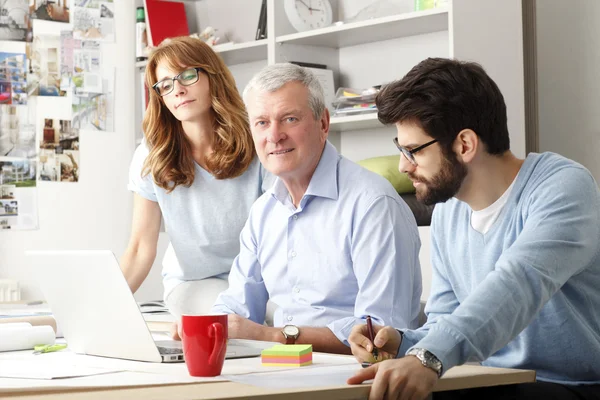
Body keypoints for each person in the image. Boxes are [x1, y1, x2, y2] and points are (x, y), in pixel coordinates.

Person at [347, 57, 600, 399]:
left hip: (572, 386)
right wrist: (403, 342)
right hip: (492, 381)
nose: (402, 166)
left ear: (464, 145)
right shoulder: (448, 212)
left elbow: (518, 283)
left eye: (412, 151)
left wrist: (429, 357)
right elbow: (446, 320)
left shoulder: (563, 187)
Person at [209, 63, 423, 354]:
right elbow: (238, 307)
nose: (274, 136)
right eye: (261, 123)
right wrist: (201, 326)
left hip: (355, 377)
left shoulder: (372, 204)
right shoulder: (263, 212)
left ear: (323, 124)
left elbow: (381, 334)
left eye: (289, 119)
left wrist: (274, 337)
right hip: (279, 370)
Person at [121, 37, 272, 317]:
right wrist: (103, 308)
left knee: (294, 316)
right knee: (232, 317)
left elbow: (282, 233)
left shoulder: (257, 139)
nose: (177, 90)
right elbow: (141, 247)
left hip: (262, 277)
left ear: (212, 76)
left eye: (187, 75)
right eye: (165, 84)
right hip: (195, 283)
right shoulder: (151, 155)